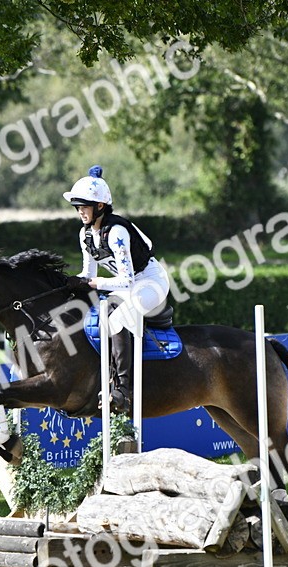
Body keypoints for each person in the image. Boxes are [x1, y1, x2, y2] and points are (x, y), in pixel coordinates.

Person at [63, 165, 170, 415]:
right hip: (128, 284)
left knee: (118, 318)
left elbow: (126, 281)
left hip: (151, 283)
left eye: (84, 206)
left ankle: (123, 389)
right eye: (77, 206)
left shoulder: (117, 232)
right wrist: (67, 281)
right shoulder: (86, 234)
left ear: (100, 206)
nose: (80, 211)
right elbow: (87, 274)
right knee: (102, 315)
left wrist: (93, 283)